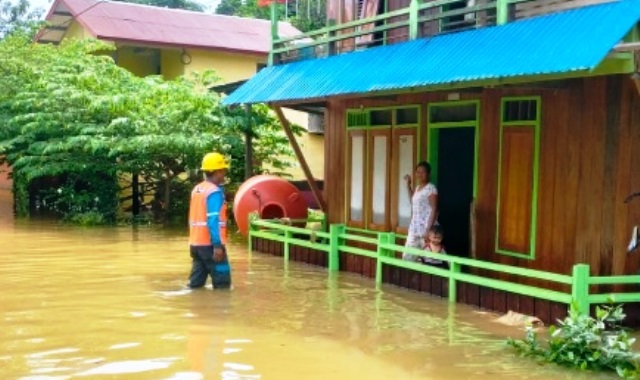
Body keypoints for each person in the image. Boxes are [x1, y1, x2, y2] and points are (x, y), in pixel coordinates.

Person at [188, 152, 231, 289]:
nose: (224, 174)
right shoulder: (214, 192)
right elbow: (213, 220)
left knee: (195, 286)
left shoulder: (197, 189)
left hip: (195, 244)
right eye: (223, 170)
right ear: (217, 172)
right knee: (223, 285)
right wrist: (217, 245)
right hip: (211, 245)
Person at [402, 161, 438, 262]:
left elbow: (434, 209)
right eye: (418, 172)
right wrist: (408, 185)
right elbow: (412, 201)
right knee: (408, 258)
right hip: (415, 227)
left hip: (426, 228)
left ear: (428, 174)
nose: (420, 174)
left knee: (428, 259)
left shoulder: (431, 189)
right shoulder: (418, 188)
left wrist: (428, 229)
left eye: (423, 172)